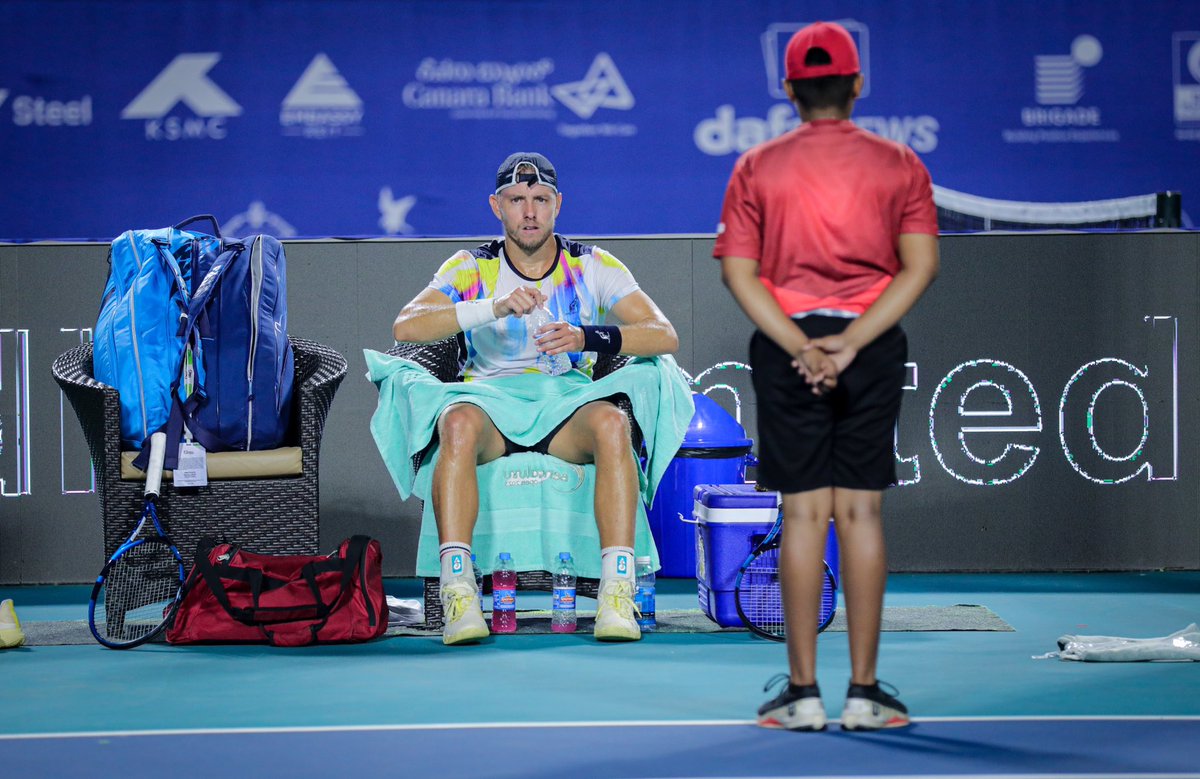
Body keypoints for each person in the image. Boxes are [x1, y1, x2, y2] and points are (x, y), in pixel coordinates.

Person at [714, 22, 939, 731]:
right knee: (861, 512)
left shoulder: (756, 166)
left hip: (788, 349)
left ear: (789, 90)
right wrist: (849, 345)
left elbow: (739, 272)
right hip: (867, 347)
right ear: (857, 84)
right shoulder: (900, 162)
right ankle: (865, 693)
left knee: (806, 512)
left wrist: (800, 346)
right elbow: (919, 266)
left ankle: (802, 694)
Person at [380, 152, 688, 646]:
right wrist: (491, 307)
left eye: (540, 200)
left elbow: (663, 333)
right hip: (490, 406)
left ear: (557, 205)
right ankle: (458, 591)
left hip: (565, 405)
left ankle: (615, 591)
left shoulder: (592, 263)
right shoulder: (471, 266)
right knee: (455, 423)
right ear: (496, 206)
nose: (529, 211)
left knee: (613, 424)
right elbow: (407, 325)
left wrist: (587, 337)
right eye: (517, 200)